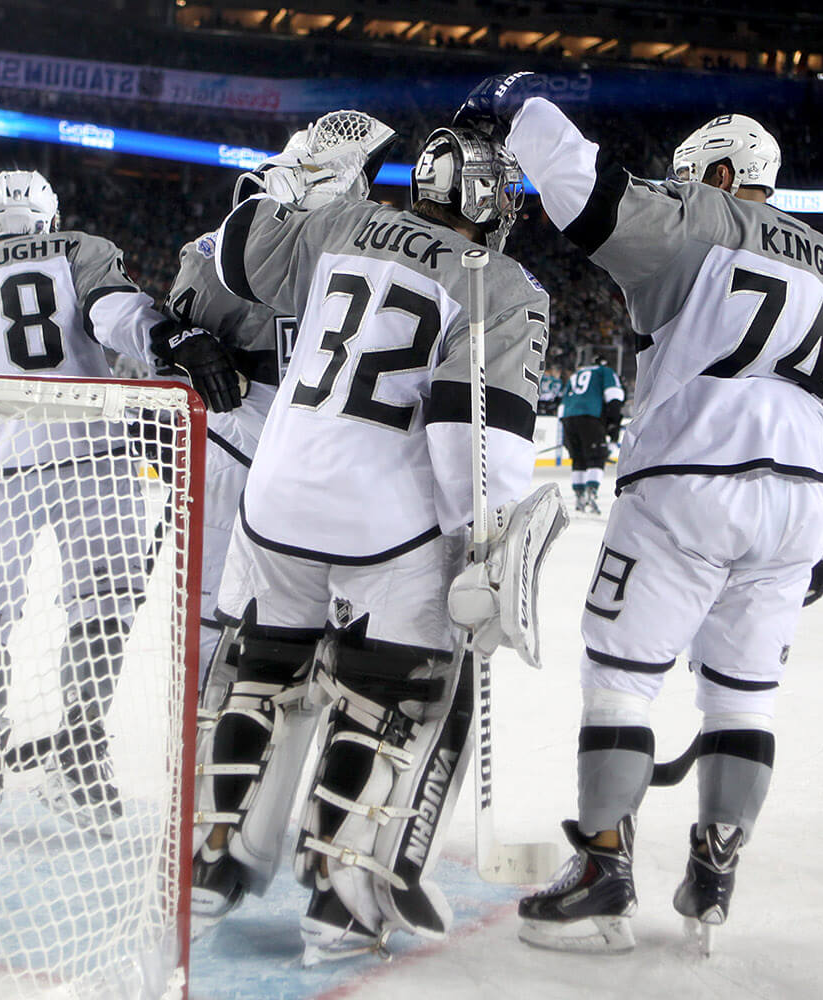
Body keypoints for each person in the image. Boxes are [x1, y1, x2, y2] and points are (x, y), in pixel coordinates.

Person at [455, 74, 823, 953]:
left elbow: (585, 191)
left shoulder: (701, 217)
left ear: (724, 174)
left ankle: (604, 869)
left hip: (688, 484)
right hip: (797, 506)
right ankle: (715, 872)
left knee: (621, 678)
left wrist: (521, 106)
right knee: (744, 696)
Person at [189, 125, 554, 964]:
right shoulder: (502, 282)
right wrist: (484, 545)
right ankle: (342, 902)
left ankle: (213, 869)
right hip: (384, 521)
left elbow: (237, 261)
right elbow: (475, 435)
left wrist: (294, 168)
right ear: (484, 201)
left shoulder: (342, 223)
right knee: (387, 706)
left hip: (276, 496)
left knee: (257, 683)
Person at [0, 169, 241, 834]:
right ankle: (81, 760)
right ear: (48, 214)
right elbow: (114, 312)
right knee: (102, 607)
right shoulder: (80, 247)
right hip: (94, 456)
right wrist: (167, 341)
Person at [164, 110, 397, 679]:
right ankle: (204, 746)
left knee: (304, 615)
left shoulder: (357, 246)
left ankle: (248, 745)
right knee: (219, 609)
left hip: (318, 439)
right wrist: (185, 342)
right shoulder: (230, 248)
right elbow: (175, 336)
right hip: (251, 432)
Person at [559, 347, 624, 513]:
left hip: (568, 417)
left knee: (578, 458)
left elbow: (563, 402)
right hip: (589, 416)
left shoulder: (576, 374)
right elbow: (614, 395)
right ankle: (591, 493)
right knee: (596, 457)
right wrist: (614, 423)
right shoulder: (605, 371)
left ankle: (579, 496)